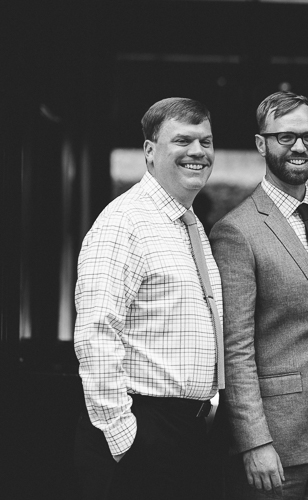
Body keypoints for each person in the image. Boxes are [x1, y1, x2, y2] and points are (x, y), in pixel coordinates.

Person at [211, 91, 308, 499]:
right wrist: (254, 442)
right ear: (261, 143)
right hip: (276, 441)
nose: (299, 146)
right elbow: (236, 345)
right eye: (286, 137)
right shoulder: (236, 231)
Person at [73, 98, 223, 500]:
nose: (198, 152)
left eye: (206, 142)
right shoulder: (124, 223)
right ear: (150, 151)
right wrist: (126, 439)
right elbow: (95, 334)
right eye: (183, 140)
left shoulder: (187, 225)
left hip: (186, 434)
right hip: (144, 431)